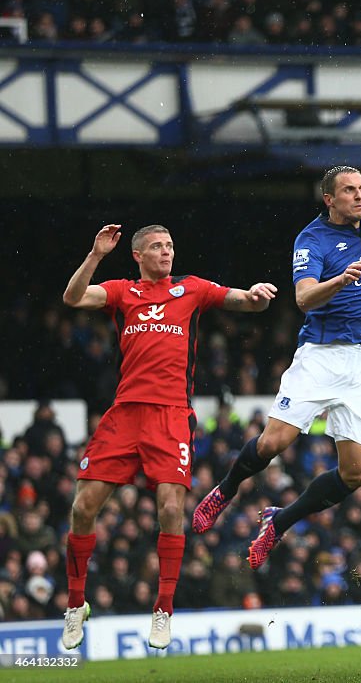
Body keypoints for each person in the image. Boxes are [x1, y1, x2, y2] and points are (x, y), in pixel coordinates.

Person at [191, 166, 361, 570]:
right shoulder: (312, 239)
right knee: (272, 444)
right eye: (349, 191)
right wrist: (340, 280)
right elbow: (304, 298)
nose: (359, 196)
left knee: (357, 474)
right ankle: (226, 489)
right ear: (329, 199)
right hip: (320, 355)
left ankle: (279, 522)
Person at [61, 223, 277, 650]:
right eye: (157, 247)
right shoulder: (123, 291)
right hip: (125, 414)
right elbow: (72, 297)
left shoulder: (192, 289)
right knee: (83, 508)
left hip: (171, 416)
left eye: (170, 245)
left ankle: (162, 609)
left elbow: (240, 301)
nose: (166, 252)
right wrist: (95, 255)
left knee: (170, 506)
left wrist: (253, 295)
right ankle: (75, 605)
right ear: (138, 255)